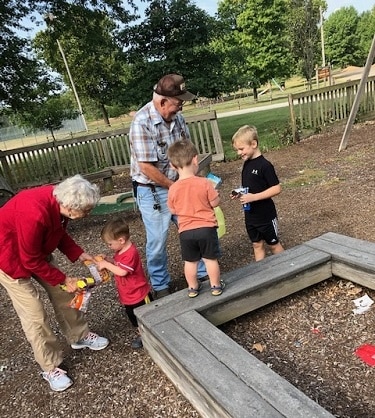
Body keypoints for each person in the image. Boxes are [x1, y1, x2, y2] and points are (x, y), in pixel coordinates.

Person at [0, 175, 109, 392]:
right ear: (69, 206)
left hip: (35, 251)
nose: (87, 214)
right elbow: (28, 260)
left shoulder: (60, 201)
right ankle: (49, 366)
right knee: (34, 315)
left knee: (65, 295)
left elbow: (59, 234)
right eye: (85, 211)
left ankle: (79, 335)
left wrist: (81, 255)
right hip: (9, 257)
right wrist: (64, 279)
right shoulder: (34, 213)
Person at [129, 73, 207, 298]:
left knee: (193, 228)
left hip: (178, 184)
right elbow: (146, 167)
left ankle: (202, 272)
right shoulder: (142, 122)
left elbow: (187, 151)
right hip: (152, 190)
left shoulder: (178, 120)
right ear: (162, 102)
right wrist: (175, 186)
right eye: (177, 103)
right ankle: (161, 284)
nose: (180, 109)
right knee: (158, 240)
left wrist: (191, 180)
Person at [167, 140, 225, 298]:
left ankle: (192, 288)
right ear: (195, 159)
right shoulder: (204, 183)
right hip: (206, 228)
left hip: (185, 231)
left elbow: (173, 210)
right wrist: (215, 196)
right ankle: (215, 286)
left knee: (190, 262)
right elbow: (214, 203)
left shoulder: (173, 188)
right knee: (210, 259)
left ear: (172, 165)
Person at [96, 216, 153, 349]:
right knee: (133, 318)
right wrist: (109, 260)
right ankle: (142, 334)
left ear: (121, 240)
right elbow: (118, 264)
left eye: (110, 244)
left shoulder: (130, 253)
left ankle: (150, 335)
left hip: (139, 294)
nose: (109, 247)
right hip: (128, 295)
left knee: (146, 316)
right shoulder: (120, 250)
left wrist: (106, 264)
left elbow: (123, 272)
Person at [231, 125, 284, 261]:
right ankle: (261, 274)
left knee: (273, 244)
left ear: (253, 144)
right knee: (256, 244)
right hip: (250, 216)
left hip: (265, 215)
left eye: (241, 149)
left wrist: (254, 197)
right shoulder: (247, 164)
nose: (239, 153)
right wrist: (239, 192)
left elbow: (276, 188)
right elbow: (250, 187)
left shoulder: (265, 165)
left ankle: (289, 267)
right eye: (237, 150)